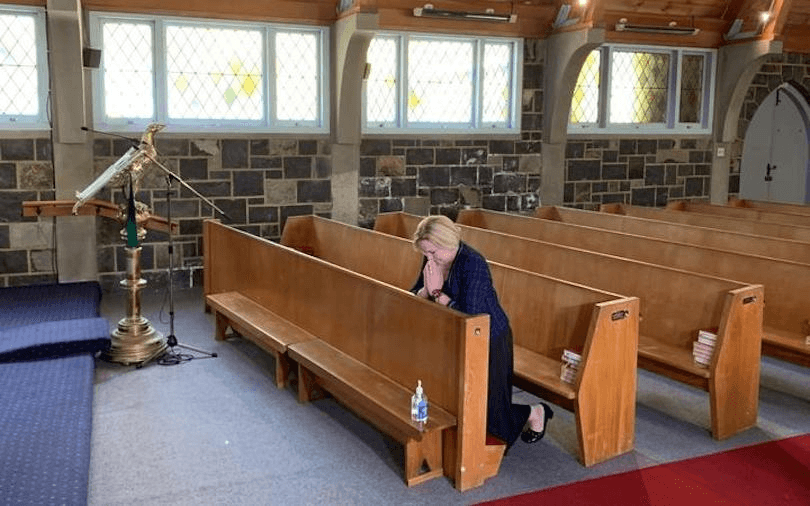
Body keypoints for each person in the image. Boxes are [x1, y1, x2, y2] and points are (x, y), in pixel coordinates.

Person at [410, 214, 553, 446]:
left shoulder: (473, 263)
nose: (429, 258)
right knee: (464, 402)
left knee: (492, 414)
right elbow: (416, 292)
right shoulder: (432, 259)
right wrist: (426, 290)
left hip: (489, 338)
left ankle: (535, 412)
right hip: (454, 336)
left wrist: (436, 293)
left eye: (432, 252)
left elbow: (472, 314)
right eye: (425, 252)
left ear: (447, 243)